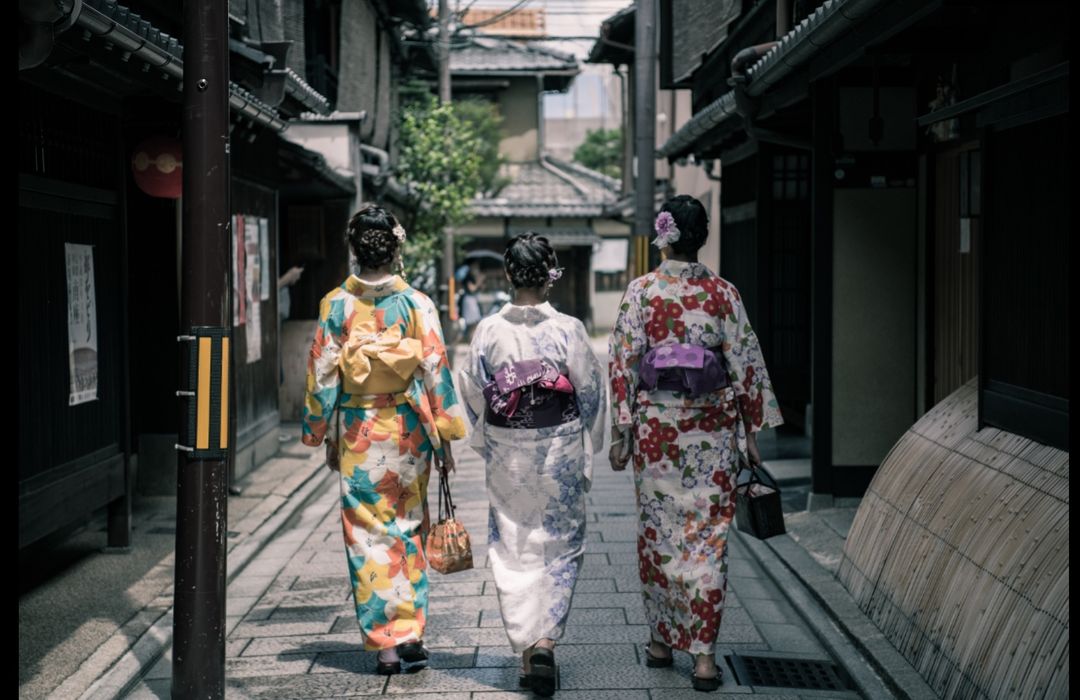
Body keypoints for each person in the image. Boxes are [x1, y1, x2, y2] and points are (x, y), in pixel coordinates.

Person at [607, 195, 783, 691]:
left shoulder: (641, 292)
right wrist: (751, 433)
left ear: (662, 235)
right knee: (708, 541)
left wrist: (621, 434)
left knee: (659, 535)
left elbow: (623, 365)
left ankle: (662, 641)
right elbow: (746, 363)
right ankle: (704, 656)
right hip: (712, 431)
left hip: (657, 433)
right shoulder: (723, 294)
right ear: (701, 237)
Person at [302, 205, 468, 676]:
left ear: (355, 249)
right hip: (408, 426)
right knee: (408, 526)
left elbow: (321, 375)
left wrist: (318, 429)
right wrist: (446, 435)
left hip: (358, 428)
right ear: (396, 248)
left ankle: (386, 646)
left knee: (367, 536)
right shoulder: (417, 303)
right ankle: (411, 632)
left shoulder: (336, 304)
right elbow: (436, 367)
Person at [457, 234, 607, 697]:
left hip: (507, 445)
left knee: (513, 541)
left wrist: (489, 431)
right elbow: (589, 392)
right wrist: (591, 439)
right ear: (550, 275)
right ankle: (545, 641)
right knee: (560, 544)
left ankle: (527, 650)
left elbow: (472, 390)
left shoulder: (488, 331)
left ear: (508, 276)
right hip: (558, 443)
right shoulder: (568, 329)